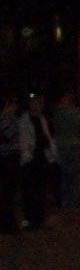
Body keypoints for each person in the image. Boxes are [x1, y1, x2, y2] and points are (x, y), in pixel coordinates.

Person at [18, 93, 56, 230]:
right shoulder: (24, 120)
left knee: (40, 189)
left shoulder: (42, 119)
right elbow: (25, 140)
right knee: (29, 191)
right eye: (36, 102)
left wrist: (51, 154)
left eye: (40, 103)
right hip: (30, 158)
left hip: (41, 157)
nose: (39, 106)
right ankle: (29, 219)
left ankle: (39, 218)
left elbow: (47, 137)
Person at [52, 90, 80, 208]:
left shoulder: (56, 113)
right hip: (73, 145)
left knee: (64, 175)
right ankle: (74, 201)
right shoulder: (72, 112)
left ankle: (65, 200)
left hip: (61, 145)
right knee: (75, 175)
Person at [0, 93, 21, 232]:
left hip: (8, 156)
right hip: (8, 156)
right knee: (7, 191)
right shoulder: (8, 118)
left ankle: (8, 222)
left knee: (8, 191)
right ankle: (7, 223)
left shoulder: (9, 117)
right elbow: (7, 135)